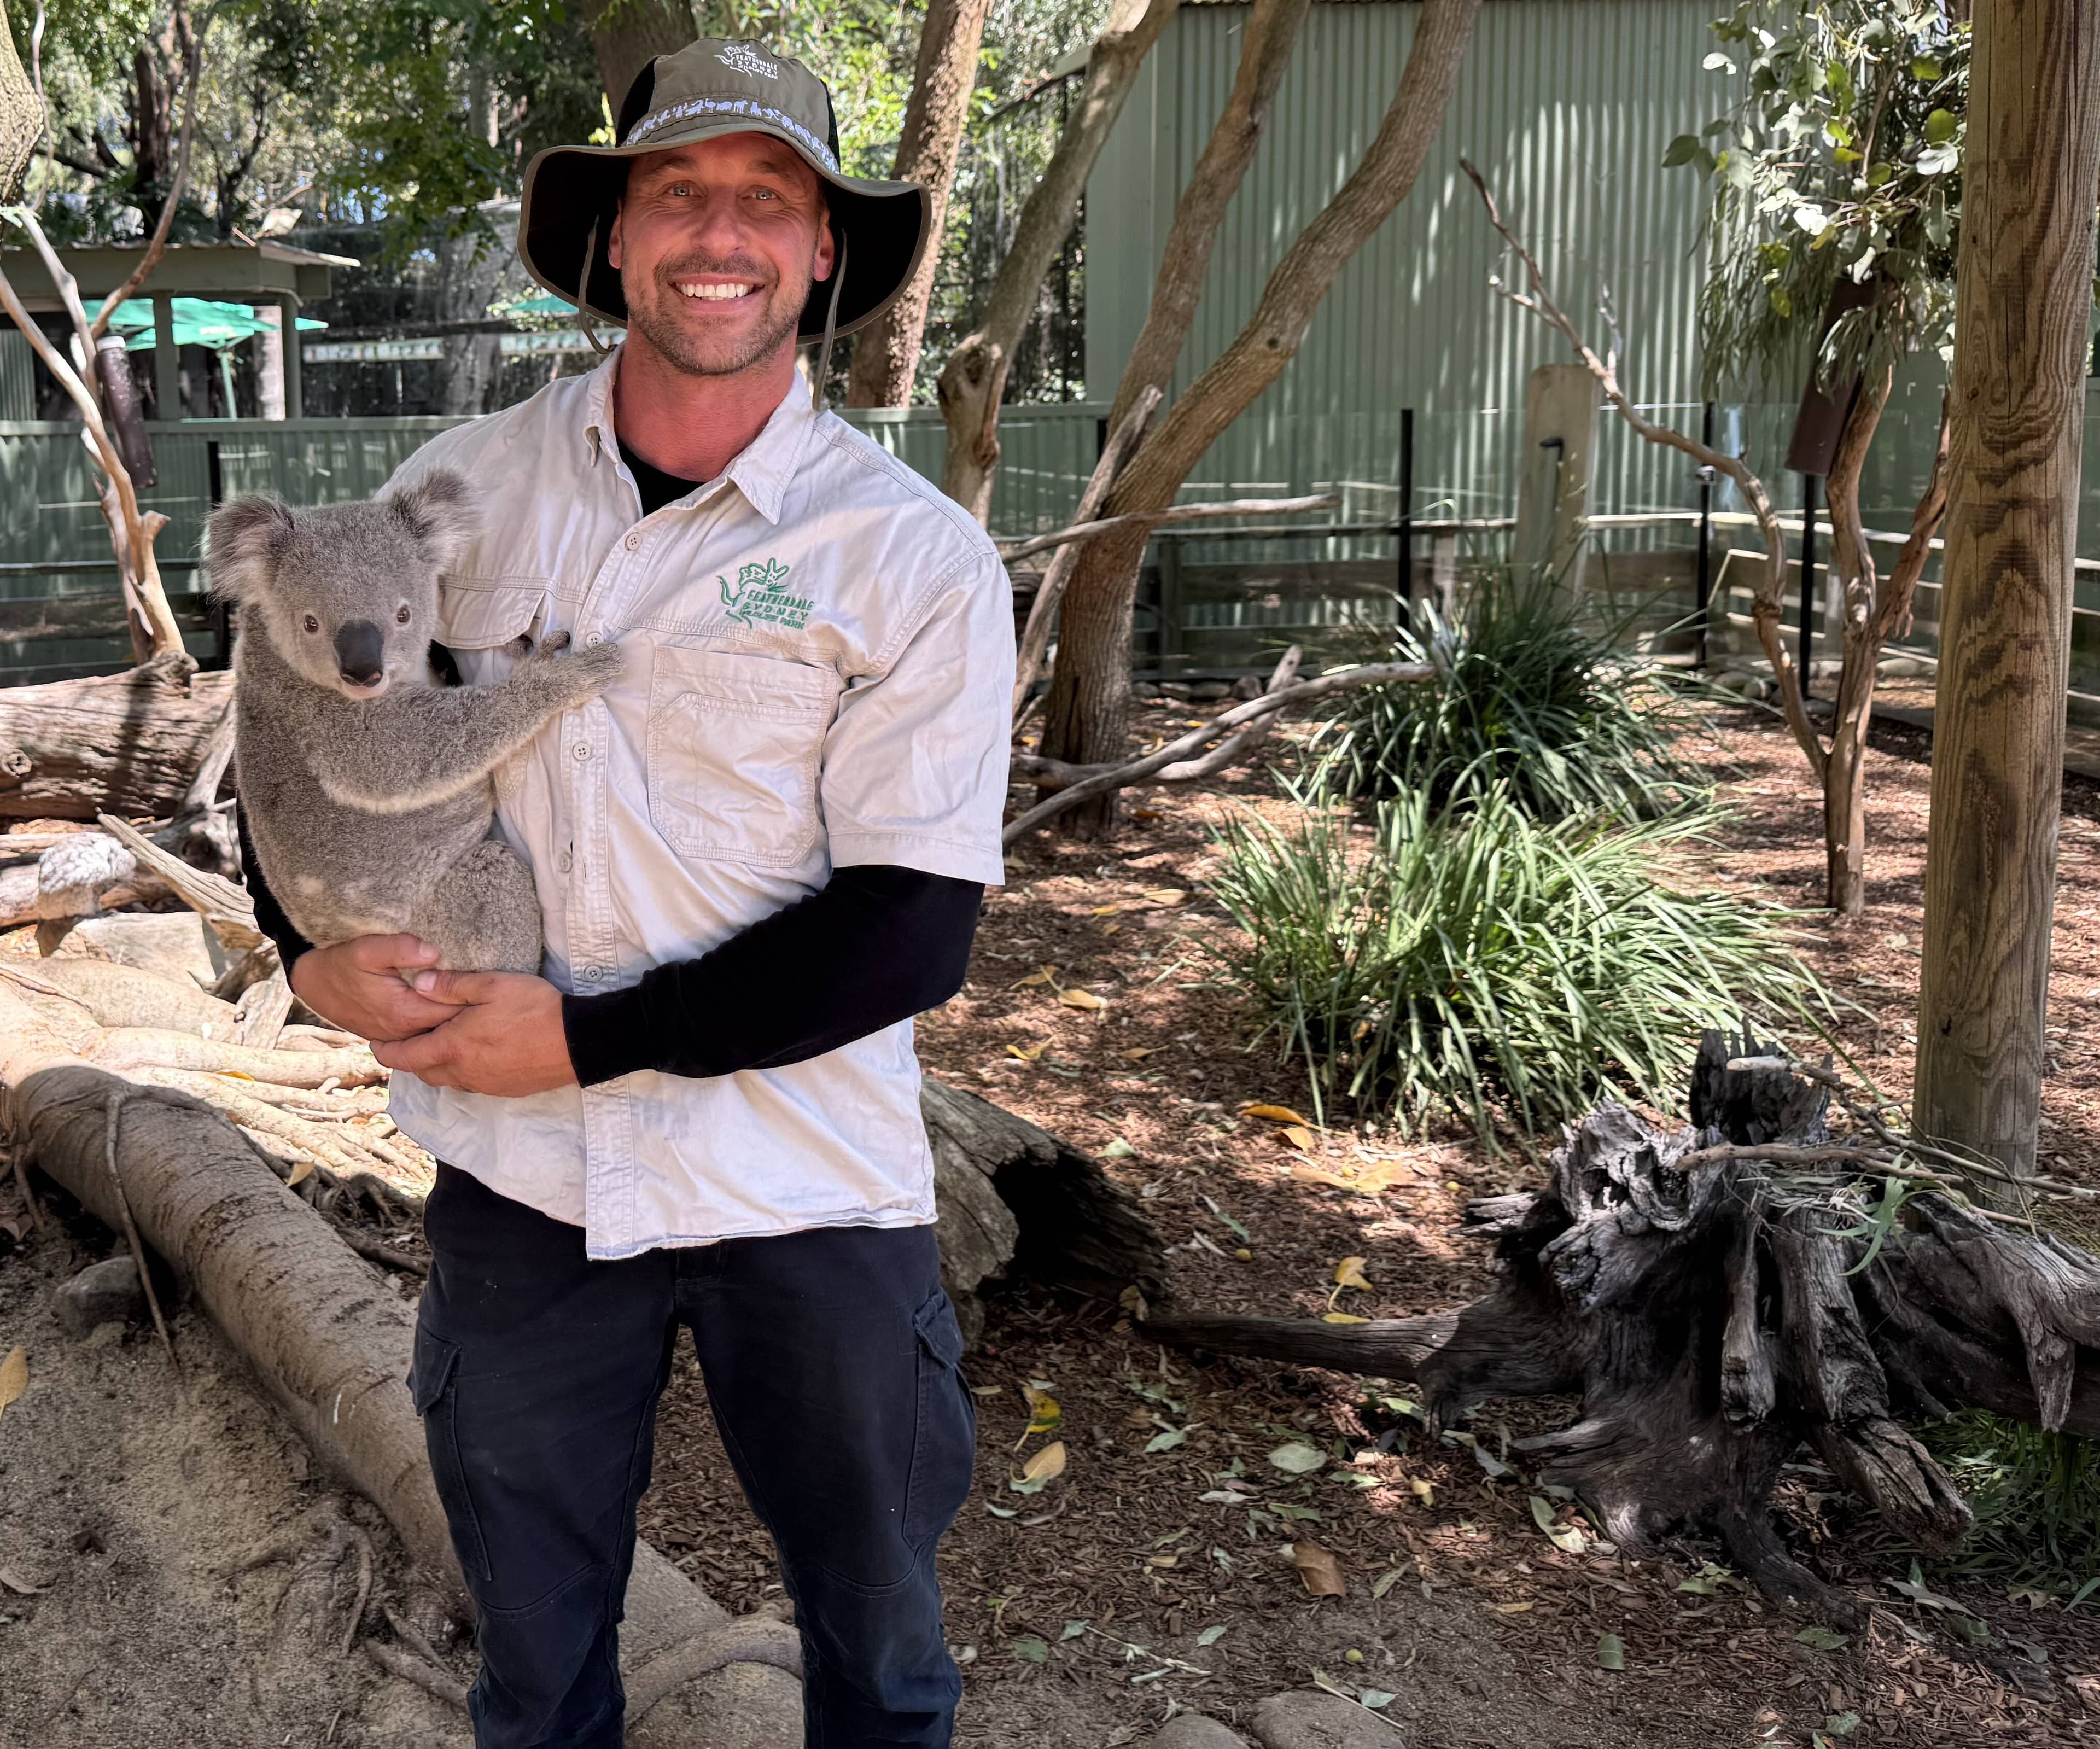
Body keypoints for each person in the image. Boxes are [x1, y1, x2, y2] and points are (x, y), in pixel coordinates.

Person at [240, 38, 1012, 1749]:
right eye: (678, 192)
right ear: (613, 237)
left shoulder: (909, 555)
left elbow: (913, 928)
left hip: (803, 1184)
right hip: (521, 1189)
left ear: (823, 251)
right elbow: (285, 749)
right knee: (530, 1662)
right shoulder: (459, 492)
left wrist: (586, 1043)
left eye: (768, 200)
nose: (717, 234)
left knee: (880, 1661)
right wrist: (308, 956)